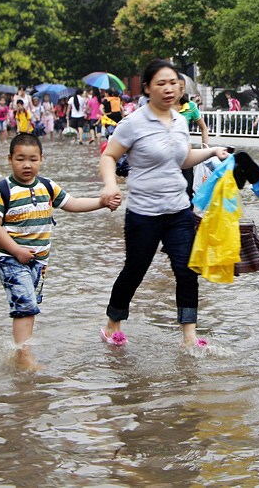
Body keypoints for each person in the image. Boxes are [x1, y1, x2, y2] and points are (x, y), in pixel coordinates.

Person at [98, 59, 231, 349]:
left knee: (187, 270)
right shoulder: (133, 123)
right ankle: (113, 324)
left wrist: (212, 151)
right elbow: (109, 156)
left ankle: (189, 337)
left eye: (173, 83)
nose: (169, 89)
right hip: (144, 213)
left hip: (178, 210)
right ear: (147, 88)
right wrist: (110, 185)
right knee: (135, 269)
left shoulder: (181, 120)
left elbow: (181, 159)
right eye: (161, 83)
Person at [0, 133, 120, 371]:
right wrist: (16, 251)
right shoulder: (2, 190)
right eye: (21, 159)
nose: (27, 165)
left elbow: (73, 203)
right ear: (10, 160)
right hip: (10, 257)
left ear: (41, 159)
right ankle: (25, 356)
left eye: (33, 159)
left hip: (38, 260)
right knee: (24, 303)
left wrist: (101, 202)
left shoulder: (47, 186)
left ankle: (19, 352)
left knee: (29, 306)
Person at [178, 75, 209, 199]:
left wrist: (205, 148)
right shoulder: (163, 108)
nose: (178, 92)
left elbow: (204, 128)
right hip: (166, 158)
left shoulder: (190, 107)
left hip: (186, 155)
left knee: (187, 191)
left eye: (181, 88)